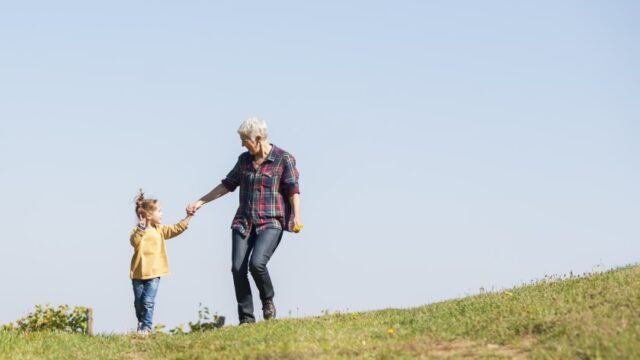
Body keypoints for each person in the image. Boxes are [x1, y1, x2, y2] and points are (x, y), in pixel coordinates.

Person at [188, 117, 302, 324]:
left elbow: (293, 190)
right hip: (244, 222)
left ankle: (267, 300)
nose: (242, 144)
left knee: (257, 264)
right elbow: (227, 185)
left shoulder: (283, 158)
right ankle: (247, 319)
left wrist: (296, 217)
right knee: (237, 268)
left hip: (271, 221)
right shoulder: (244, 161)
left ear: (258, 138)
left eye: (244, 139)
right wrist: (201, 201)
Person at [130, 189, 194, 335]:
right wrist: (140, 229)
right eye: (159, 211)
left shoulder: (160, 230)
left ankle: (146, 328)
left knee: (148, 301)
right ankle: (141, 322)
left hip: (154, 273)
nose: (162, 214)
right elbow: (134, 242)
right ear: (148, 215)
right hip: (138, 273)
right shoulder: (137, 231)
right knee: (139, 303)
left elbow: (175, 229)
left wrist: (188, 217)